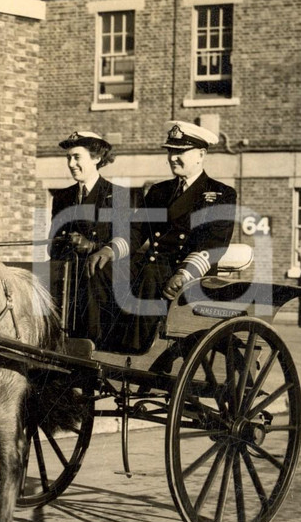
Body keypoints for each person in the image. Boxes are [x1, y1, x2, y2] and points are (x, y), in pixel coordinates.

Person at [89, 121, 237, 352]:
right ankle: (96, 343)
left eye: (180, 152)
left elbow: (214, 243)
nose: (172, 158)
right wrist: (110, 249)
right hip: (154, 266)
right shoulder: (160, 191)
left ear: (201, 154)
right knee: (102, 269)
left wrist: (184, 274)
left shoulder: (220, 194)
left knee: (150, 273)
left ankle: (134, 349)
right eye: (170, 151)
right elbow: (137, 230)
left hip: (189, 273)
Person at [47, 130, 116, 338]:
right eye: (68, 158)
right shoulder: (62, 197)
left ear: (96, 158)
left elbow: (126, 243)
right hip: (65, 281)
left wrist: (93, 246)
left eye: (77, 157)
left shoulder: (117, 196)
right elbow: (52, 246)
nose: (71, 164)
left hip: (99, 286)